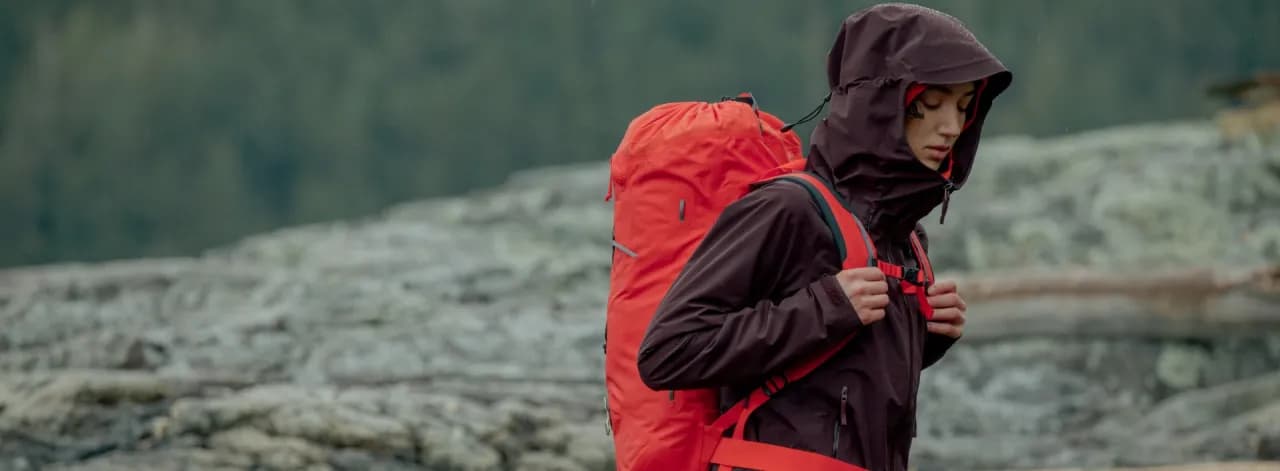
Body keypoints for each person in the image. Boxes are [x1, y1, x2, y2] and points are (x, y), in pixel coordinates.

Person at [635, 3, 1012, 470]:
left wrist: (922, 333)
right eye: (928, 105)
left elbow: (831, 389)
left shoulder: (905, 236)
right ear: (878, 105)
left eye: (963, 106)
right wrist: (824, 308)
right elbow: (668, 352)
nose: (951, 128)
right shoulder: (786, 209)